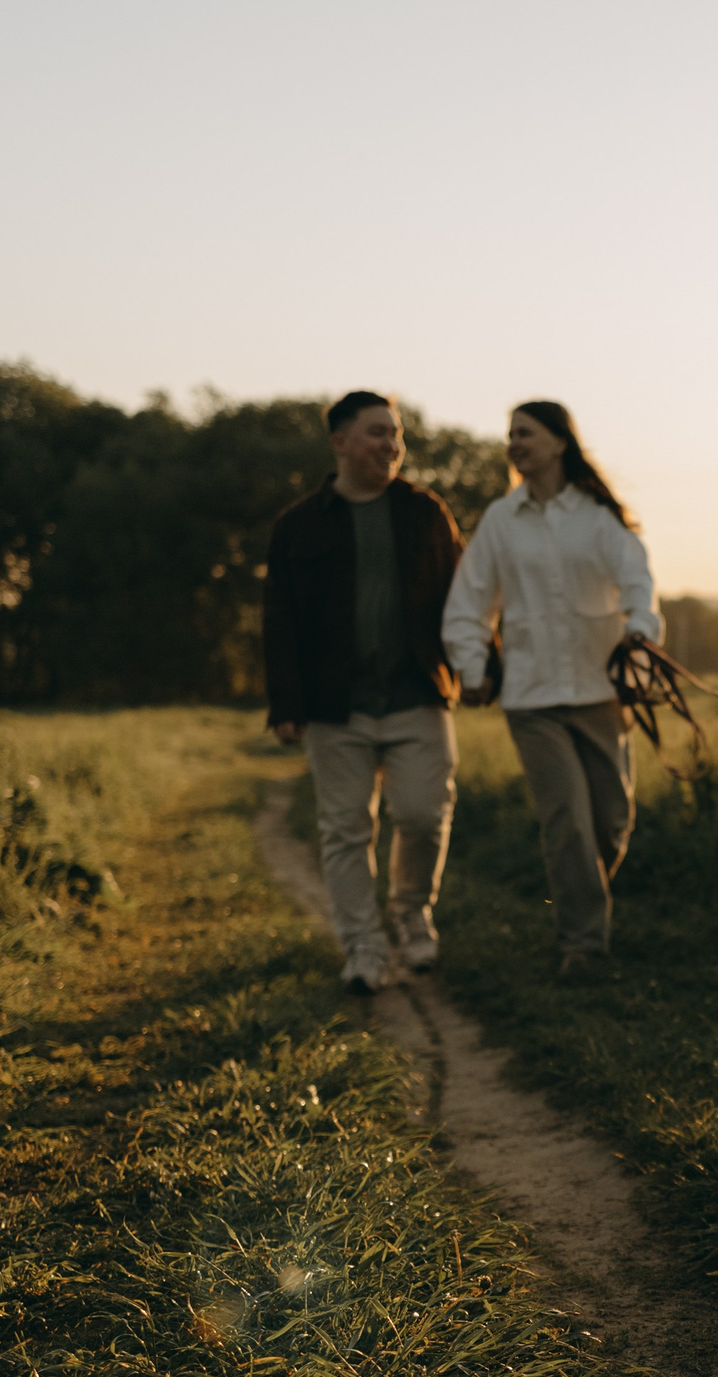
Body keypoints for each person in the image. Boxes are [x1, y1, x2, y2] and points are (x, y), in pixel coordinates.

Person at [441, 400, 660, 974]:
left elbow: (638, 583)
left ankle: (577, 899)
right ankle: (582, 945)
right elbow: (467, 605)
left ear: (560, 442)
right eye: (509, 434)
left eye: (526, 433)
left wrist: (640, 632)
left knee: (612, 820)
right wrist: (472, 671)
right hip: (532, 698)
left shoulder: (598, 517)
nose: (514, 442)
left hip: (601, 692)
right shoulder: (499, 521)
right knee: (567, 820)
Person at [263, 390, 464, 994]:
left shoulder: (426, 513)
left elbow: (461, 601)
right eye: (377, 432)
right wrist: (287, 703)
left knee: (424, 816)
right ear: (341, 442)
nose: (391, 444)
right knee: (345, 830)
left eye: (396, 433)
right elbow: (281, 620)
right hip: (335, 706)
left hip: (418, 697)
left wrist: (480, 668)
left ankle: (410, 915)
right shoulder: (299, 525)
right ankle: (364, 948)